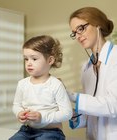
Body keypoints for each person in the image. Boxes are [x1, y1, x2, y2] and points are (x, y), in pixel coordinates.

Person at [9, 35, 72, 140]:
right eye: (26, 59)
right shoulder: (22, 84)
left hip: (51, 132)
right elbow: (16, 105)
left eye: (34, 59)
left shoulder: (56, 85)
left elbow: (67, 113)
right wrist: (19, 113)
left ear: (50, 60)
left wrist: (42, 117)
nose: (29, 63)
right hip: (27, 130)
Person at [68, 6, 117, 140]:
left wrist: (72, 96)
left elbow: (113, 105)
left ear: (97, 25)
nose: (78, 36)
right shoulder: (86, 68)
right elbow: (93, 110)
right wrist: (70, 113)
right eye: (74, 33)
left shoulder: (115, 57)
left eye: (81, 28)